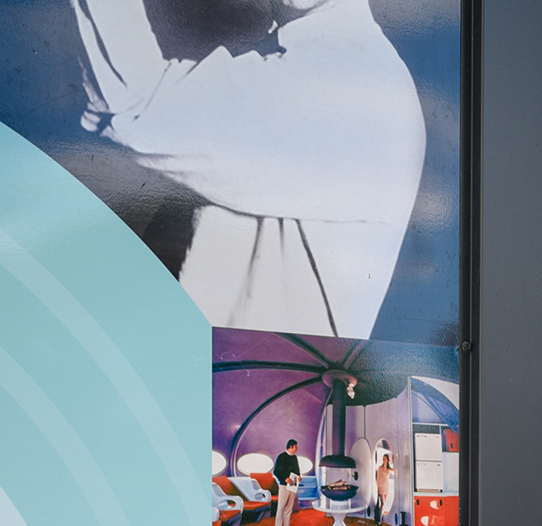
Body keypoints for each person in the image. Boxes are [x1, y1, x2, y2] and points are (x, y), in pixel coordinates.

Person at [68, 0, 427, 338]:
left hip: (237, 392)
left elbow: (134, 102)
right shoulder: (299, 58)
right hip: (215, 380)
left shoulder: (353, 78)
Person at [272, 439, 301, 526]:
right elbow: (275, 472)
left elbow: (297, 470)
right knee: (280, 509)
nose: (297, 448)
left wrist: (299, 476)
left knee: (289, 509)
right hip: (284, 486)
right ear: (291, 446)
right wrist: (285, 478)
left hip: (293, 485)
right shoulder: (281, 457)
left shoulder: (295, 457)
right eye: (296, 447)